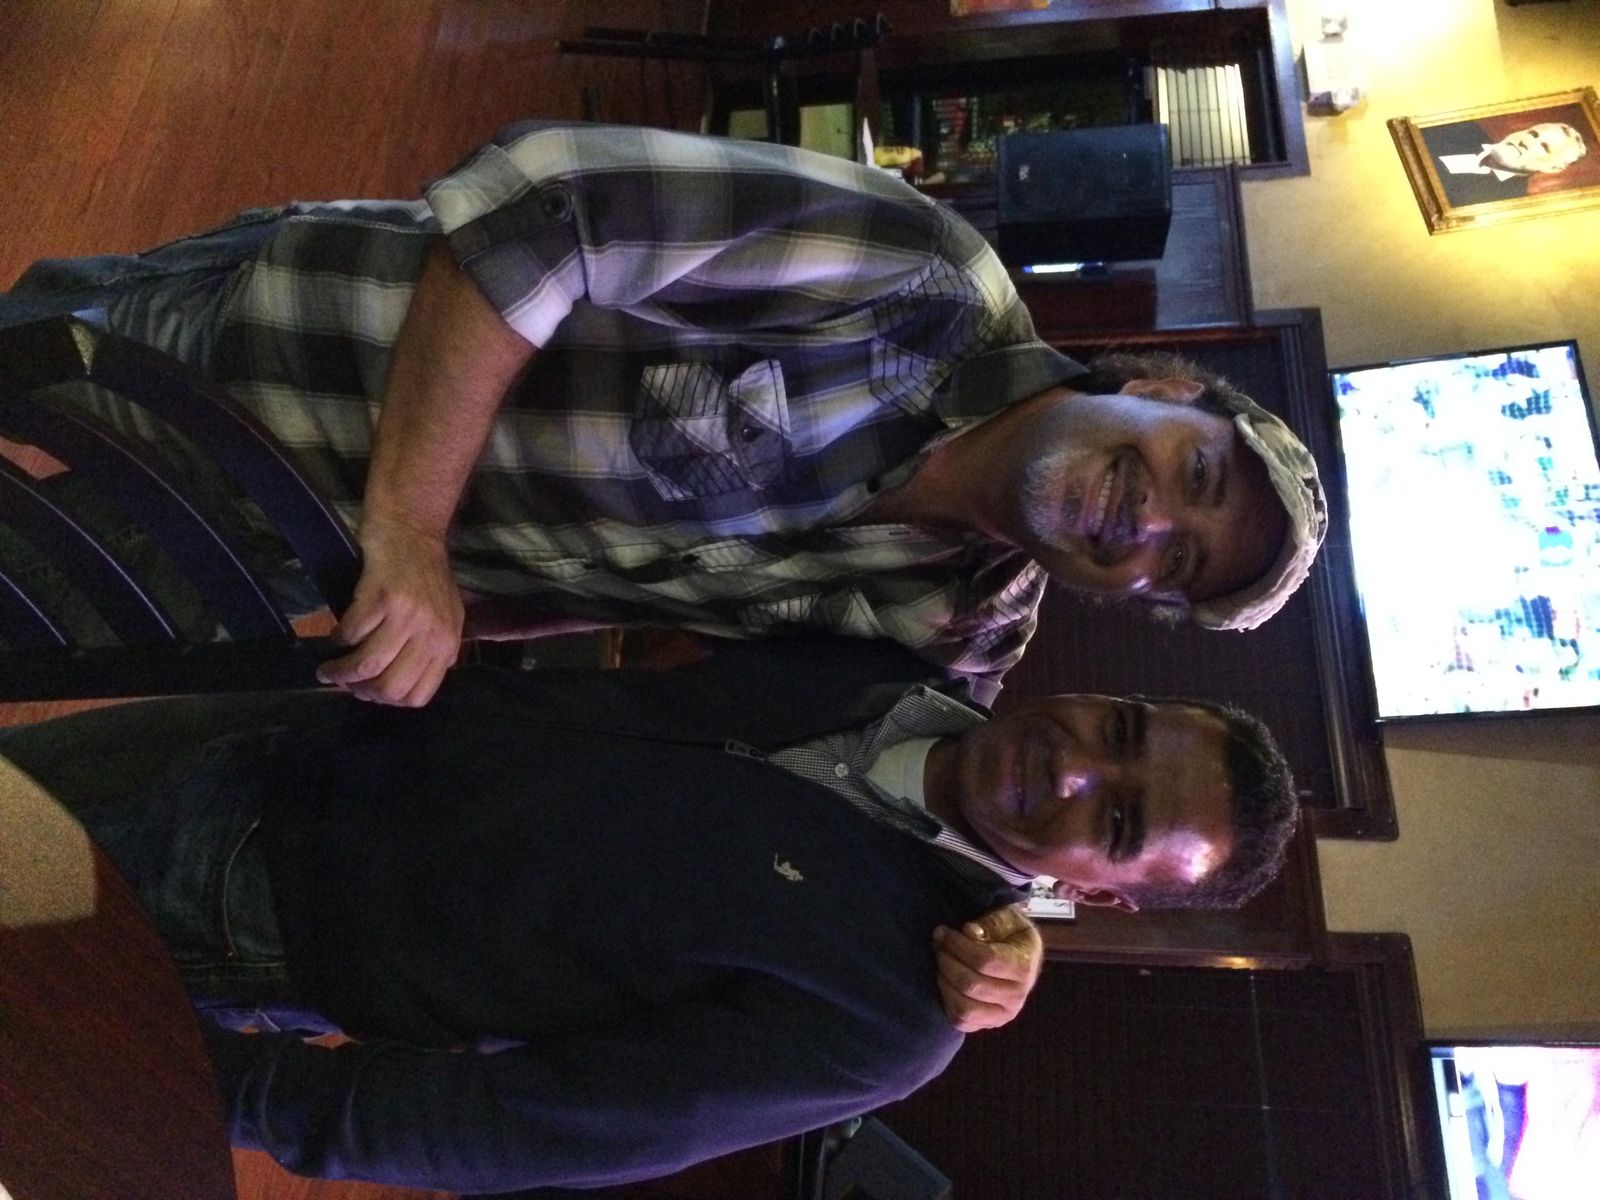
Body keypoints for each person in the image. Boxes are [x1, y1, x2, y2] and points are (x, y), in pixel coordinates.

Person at [0, 122, 1327, 707]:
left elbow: (930, 819)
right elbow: (544, 200)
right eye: (1193, 480)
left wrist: (998, 945)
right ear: (1165, 392)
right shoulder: (921, 279)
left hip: (291, 551)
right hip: (256, 342)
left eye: (1177, 568)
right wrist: (413, 530)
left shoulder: (951, 630)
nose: (1149, 524)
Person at [0, 637, 1298, 1192]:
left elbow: (535, 1128)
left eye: (1116, 820)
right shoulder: (886, 662)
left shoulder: (894, 1013)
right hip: (285, 733)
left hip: (259, 906)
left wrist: (193, 1088)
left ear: (1100, 891)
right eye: (1123, 730)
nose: (1078, 767)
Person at [1425, 117, 1589, 207]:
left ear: (1553, 168)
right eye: (1533, 134)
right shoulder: (1462, 127)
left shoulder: (1503, 202)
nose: (1526, 142)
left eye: (1544, 147)